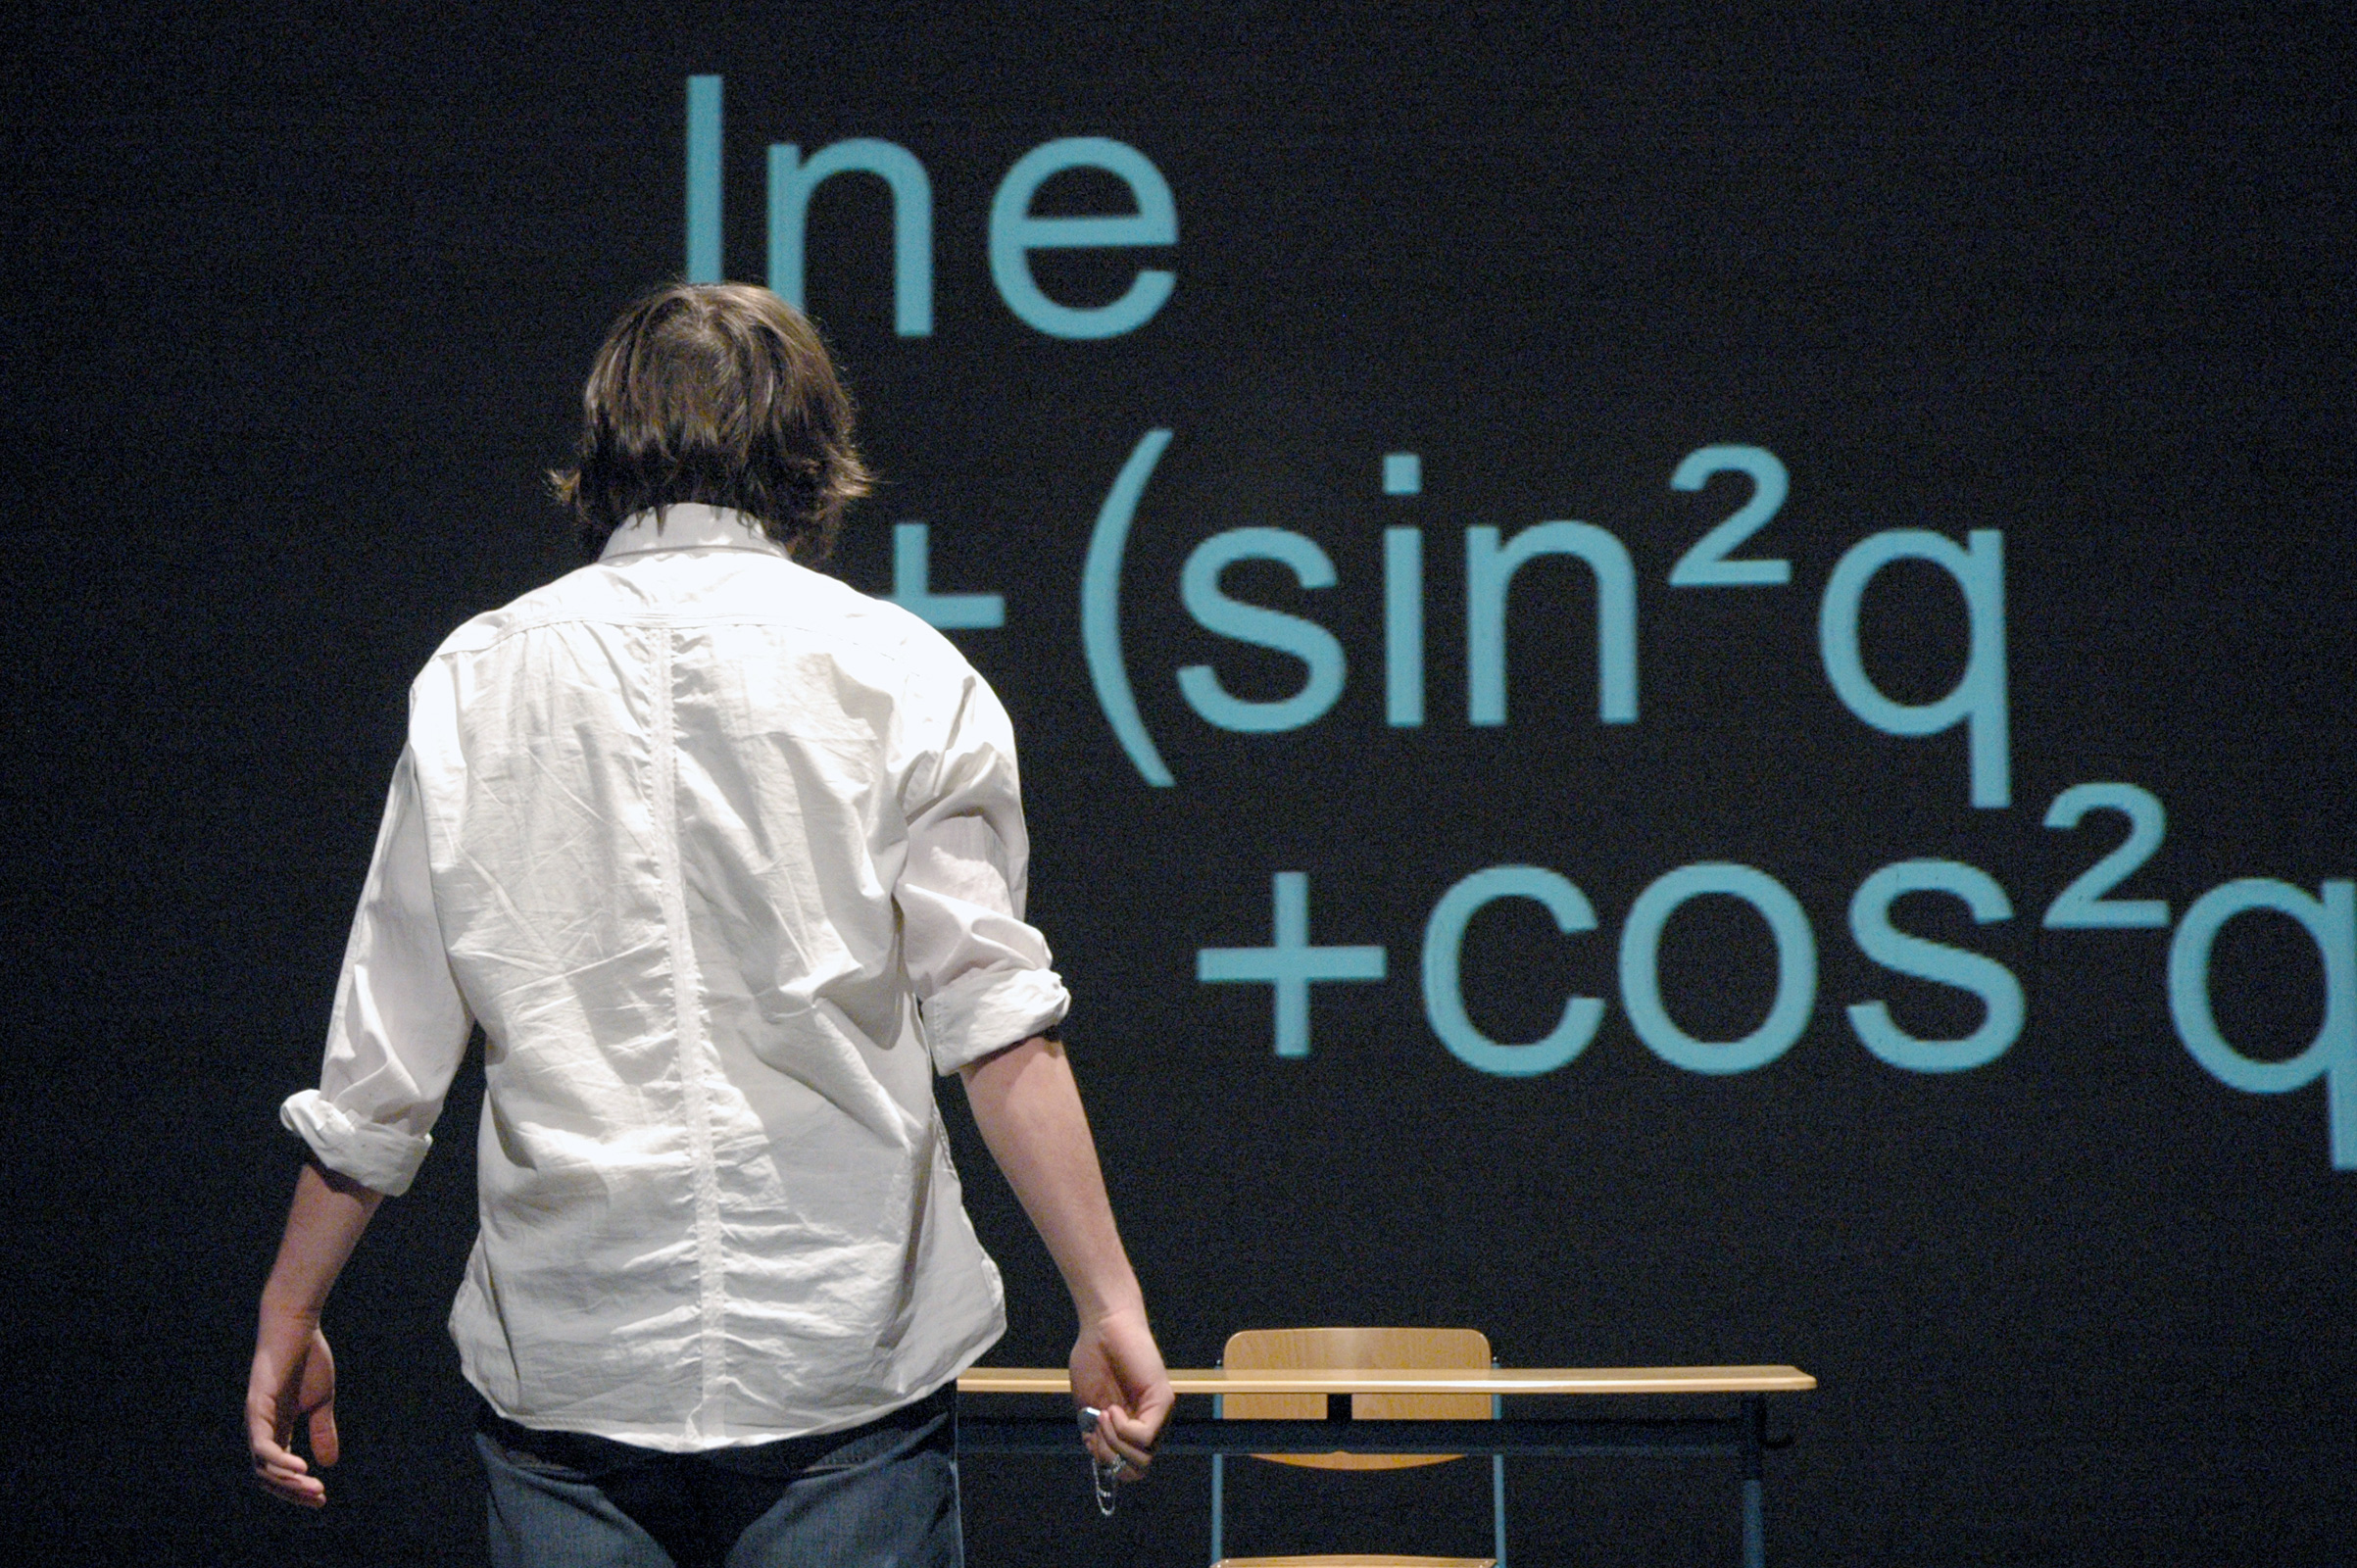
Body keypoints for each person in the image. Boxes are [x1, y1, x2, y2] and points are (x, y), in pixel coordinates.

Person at [246, 282, 1172, 1567]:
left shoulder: (477, 677)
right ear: (810, 444)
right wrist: (1108, 1300)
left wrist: (289, 1310)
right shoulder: (903, 672)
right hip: (844, 1363)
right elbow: (996, 1020)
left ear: (607, 441)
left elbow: (384, 1062)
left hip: (572, 1368)